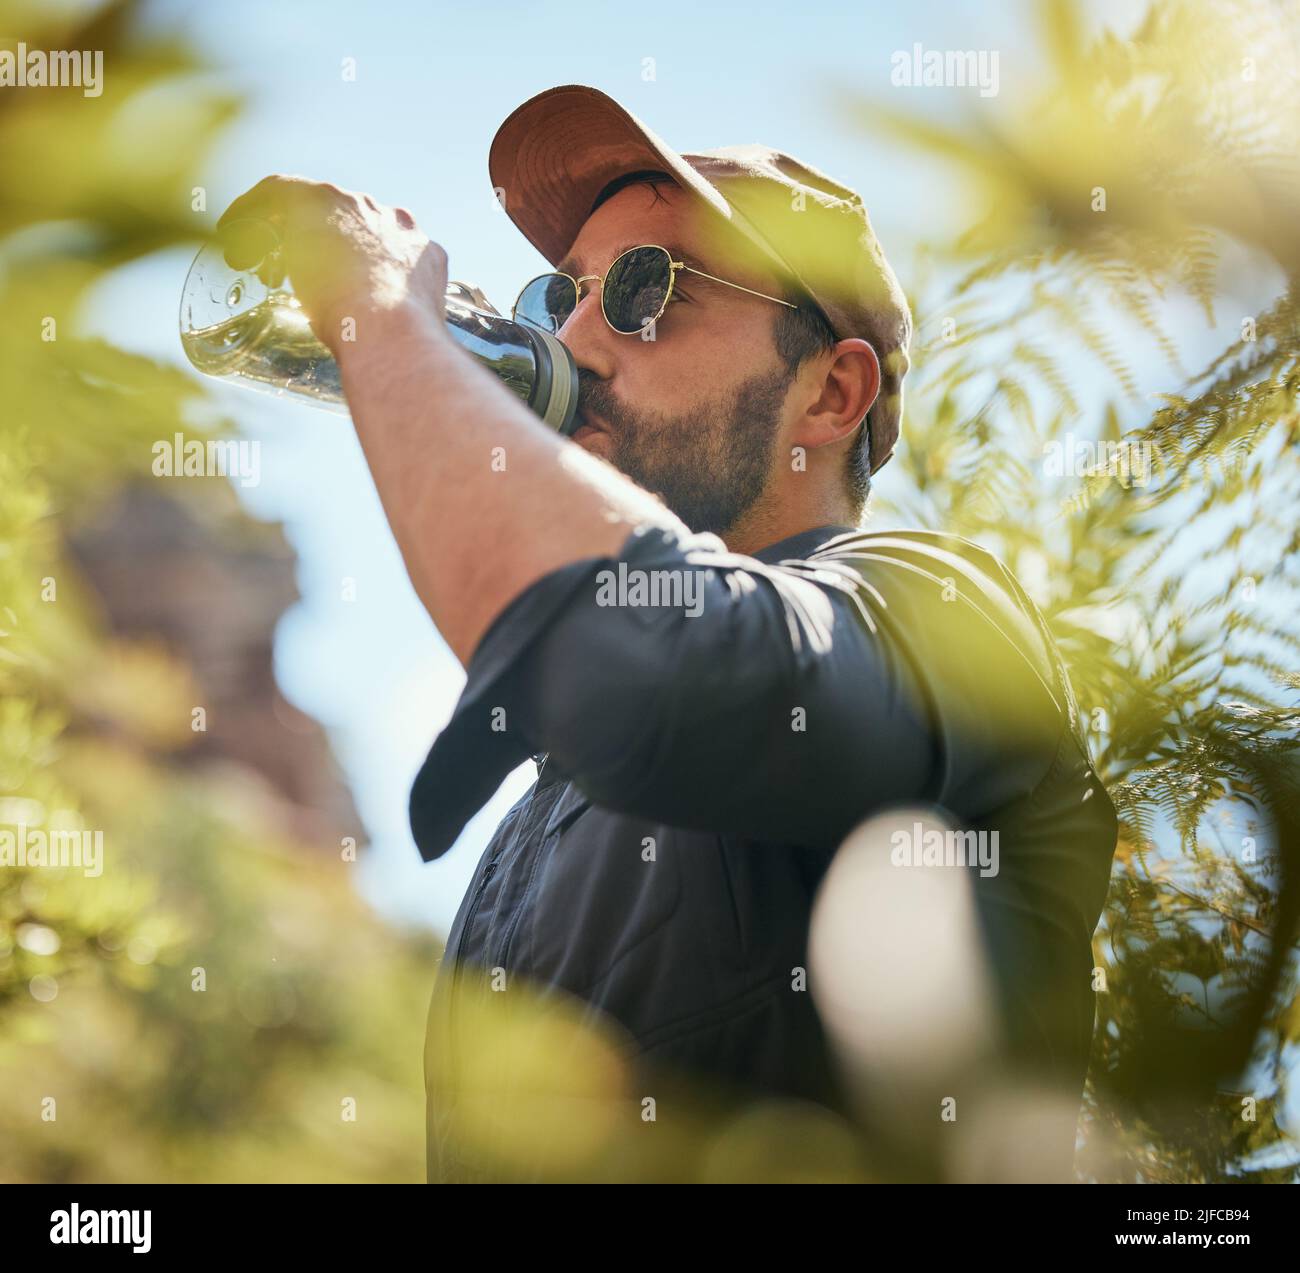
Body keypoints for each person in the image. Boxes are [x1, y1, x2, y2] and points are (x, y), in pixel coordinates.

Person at [218, 84, 1118, 1183]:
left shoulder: (934, 607)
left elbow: (644, 669)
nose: (578, 337)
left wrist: (381, 314)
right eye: (568, 293)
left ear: (831, 394)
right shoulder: (534, 827)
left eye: (647, 290)